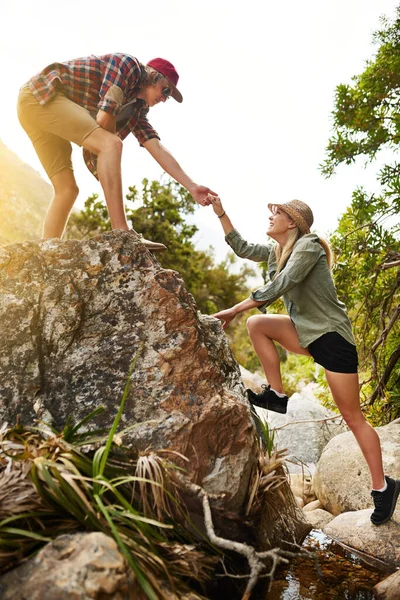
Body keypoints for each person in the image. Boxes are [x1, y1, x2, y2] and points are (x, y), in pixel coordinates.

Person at [210, 196, 400, 526]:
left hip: (332, 339)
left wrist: (235, 308)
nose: (271, 217)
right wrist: (221, 211)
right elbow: (241, 247)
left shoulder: (309, 246)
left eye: (277, 213)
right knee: (257, 325)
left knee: (353, 418)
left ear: (293, 223)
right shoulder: (275, 252)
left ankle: (383, 487)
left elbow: (281, 284)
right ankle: (278, 395)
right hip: (305, 334)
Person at [17, 53, 216, 250]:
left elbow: (156, 146)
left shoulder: (136, 109)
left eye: (168, 96)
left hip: (35, 108)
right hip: (42, 95)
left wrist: (191, 186)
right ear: (153, 75)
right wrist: (109, 149)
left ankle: (47, 254)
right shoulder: (128, 66)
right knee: (111, 144)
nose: (164, 99)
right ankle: (122, 232)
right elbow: (104, 117)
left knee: (67, 190)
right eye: (165, 90)